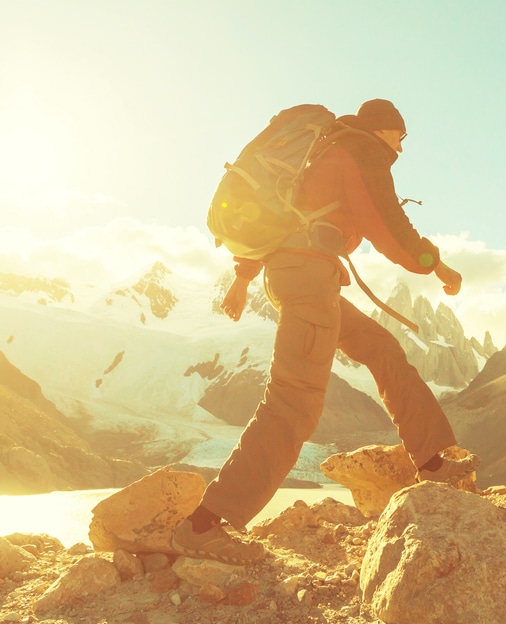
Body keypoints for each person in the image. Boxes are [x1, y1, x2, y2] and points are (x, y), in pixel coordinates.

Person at [171, 99, 480, 565]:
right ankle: (205, 524)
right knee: (295, 399)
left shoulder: (324, 152)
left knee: (381, 348)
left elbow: (282, 220)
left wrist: (242, 279)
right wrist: (436, 265)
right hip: (309, 280)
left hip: (300, 277)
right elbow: (390, 229)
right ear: (384, 130)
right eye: (401, 135)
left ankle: (434, 461)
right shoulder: (361, 152)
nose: (402, 144)